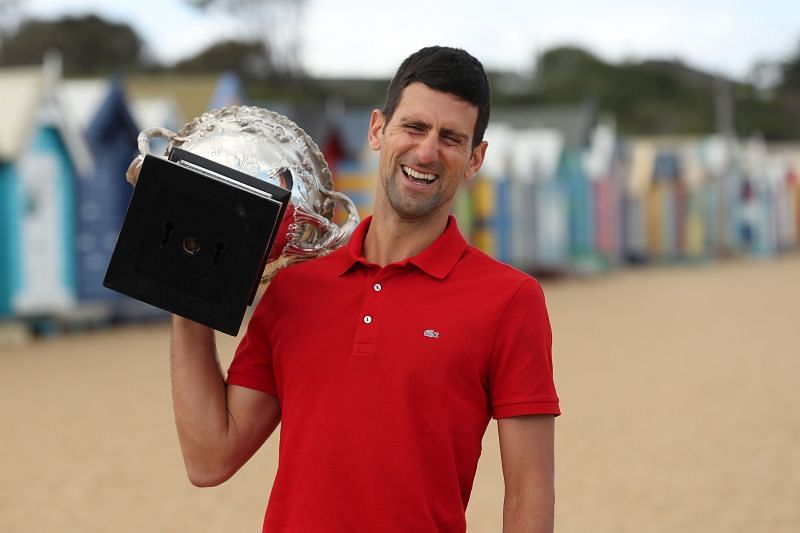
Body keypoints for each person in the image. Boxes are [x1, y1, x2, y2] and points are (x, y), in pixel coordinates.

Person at [171, 45, 560, 533]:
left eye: (451, 138)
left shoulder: (509, 300)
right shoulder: (295, 284)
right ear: (378, 129)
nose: (426, 152)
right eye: (414, 127)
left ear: (475, 158)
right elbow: (210, 458)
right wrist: (187, 298)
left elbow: (529, 491)